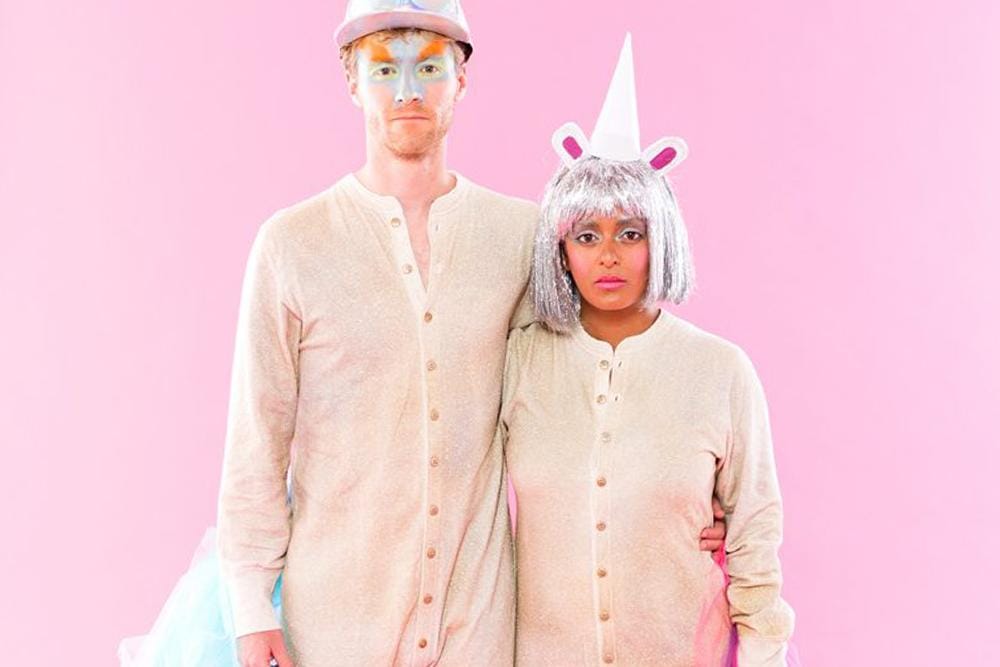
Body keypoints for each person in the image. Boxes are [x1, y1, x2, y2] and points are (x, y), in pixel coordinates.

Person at [117, 6, 728, 665]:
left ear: (461, 79)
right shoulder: (291, 245)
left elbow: (586, 378)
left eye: (430, 67)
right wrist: (249, 606)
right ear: (351, 82)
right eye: (384, 70)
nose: (408, 90)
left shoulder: (520, 237)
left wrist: (682, 483)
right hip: (334, 626)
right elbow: (256, 445)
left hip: (477, 627)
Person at [499, 35, 795, 666]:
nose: (608, 255)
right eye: (587, 235)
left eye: (630, 233)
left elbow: (754, 533)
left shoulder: (720, 371)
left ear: (660, 240)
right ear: (560, 249)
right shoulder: (520, 361)